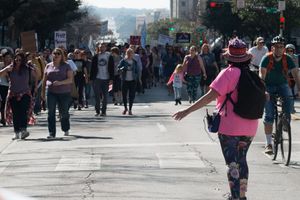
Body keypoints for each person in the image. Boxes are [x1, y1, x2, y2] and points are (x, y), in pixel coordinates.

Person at [173, 38, 257, 200]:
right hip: (250, 125)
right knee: (242, 160)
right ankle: (242, 195)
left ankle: (234, 197)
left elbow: (209, 97)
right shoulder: (252, 72)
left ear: (228, 57)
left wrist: (187, 110)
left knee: (232, 163)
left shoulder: (228, 73)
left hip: (230, 126)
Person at [260, 36, 300, 154]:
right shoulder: (266, 58)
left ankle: (285, 122)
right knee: (269, 115)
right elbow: (262, 76)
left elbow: (296, 75)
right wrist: (264, 91)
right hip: (269, 86)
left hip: (282, 84)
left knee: (289, 99)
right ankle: (268, 144)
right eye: (276, 47)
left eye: (281, 47)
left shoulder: (288, 59)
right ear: (272, 48)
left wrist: (299, 90)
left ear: (284, 49)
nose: (279, 49)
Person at [0, 52, 36, 140]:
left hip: (25, 93)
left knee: (23, 112)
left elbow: (36, 76)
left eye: (20, 59)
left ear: (23, 60)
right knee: (15, 113)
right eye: (16, 59)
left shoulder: (28, 68)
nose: (17, 61)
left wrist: (34, 88)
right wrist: (6, 69)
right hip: (13, 94)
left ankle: (23, 130)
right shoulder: (10, 68)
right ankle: (16, 132)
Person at [41, 48, 73, 139]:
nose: (56, 55)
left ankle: (65, 128)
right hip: (51, 92)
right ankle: (52, 133)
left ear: (61, 56)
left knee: (64, 113)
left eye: (58, 54)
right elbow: (44, 80)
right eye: (54, 53)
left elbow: (70, 79)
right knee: (50, 113)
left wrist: (60, 82)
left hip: (64, 93)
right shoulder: (48, 66)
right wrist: (43, 92)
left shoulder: (66, 66)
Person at [90, 43, 114, 116]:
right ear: (98, 48)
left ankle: (103, 111)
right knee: (97, 96)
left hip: (106, 79)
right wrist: (91, 78)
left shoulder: (109, 56)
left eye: (103, 47)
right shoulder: (95, 56)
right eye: (100, 47)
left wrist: (111, 79)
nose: (101, 48)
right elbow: (92, 68)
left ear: (105, 48)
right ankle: (97, 110)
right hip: (97, 78)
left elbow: (112, 68)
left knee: (105, 96)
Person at [117, 48, 141, 115]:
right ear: (126, 54)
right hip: (124, 80)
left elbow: (137, 71)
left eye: (131, 53)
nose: (130, 54)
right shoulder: (123, 61)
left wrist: (138, 78)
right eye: (128, 53)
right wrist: (121, 69)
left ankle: (130, 109)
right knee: (124, 95)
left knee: (131, 95)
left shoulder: (134, 62)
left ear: (133, 54)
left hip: (132, 80)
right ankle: (125, 108)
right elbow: (118, 68)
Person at [285, 44, 299, 113]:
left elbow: (296, 67)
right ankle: (287, 107)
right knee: (287, 92)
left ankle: (292, 108)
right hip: (285, 75)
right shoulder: (283, 56)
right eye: (288, 50)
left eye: (291, 50)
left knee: (292, 92)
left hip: (293, 75)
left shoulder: (295, 57)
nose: (290, 52)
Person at [0, 49, 12, 126]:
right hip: (1, 85)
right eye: (6, 57)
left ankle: (6, 118)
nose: (8, 59)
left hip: (10, 86)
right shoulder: (1, 65)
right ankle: (3, 118)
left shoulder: (12, 65)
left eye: (9, 57)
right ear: (3, 58)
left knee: (8, 103)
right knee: (2, 102)